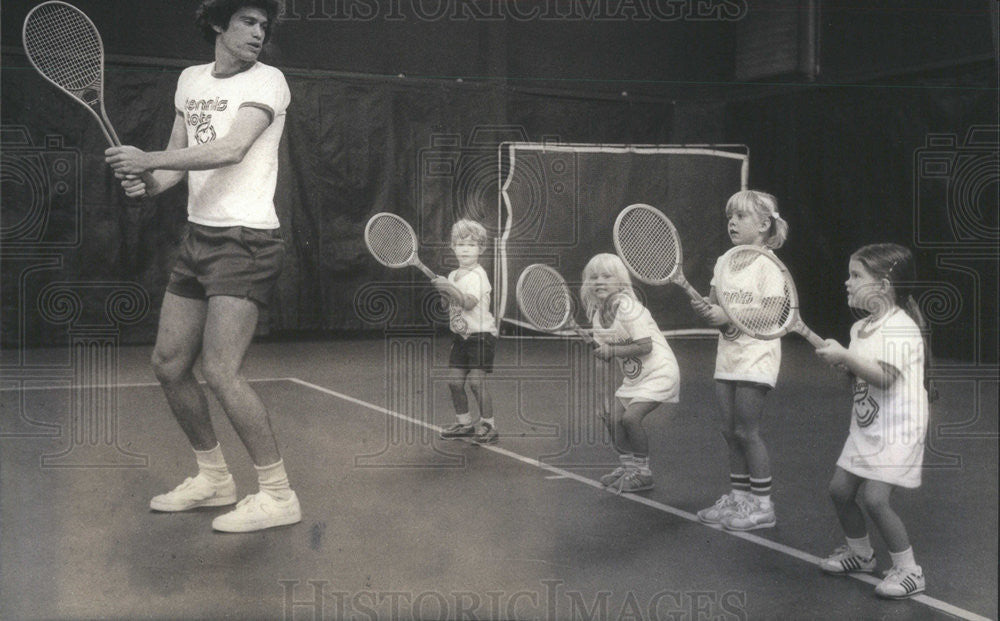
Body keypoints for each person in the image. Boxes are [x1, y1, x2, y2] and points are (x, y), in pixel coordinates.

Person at [104, 0, 300, 533]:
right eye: (248, 22)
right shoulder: (189, 81)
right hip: (198, 236)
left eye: (264, 25)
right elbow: (171, 170)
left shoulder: (269, 82)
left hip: (248, 240)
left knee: (220, 370)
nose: (259, 32)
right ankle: (214, 478)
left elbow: (233, 149)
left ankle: (279, 495)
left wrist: (147, 159)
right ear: (218, 23)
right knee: (169, 363)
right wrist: (144, 180)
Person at [815, 243, 930, 599]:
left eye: (855, 275)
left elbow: (884, 378)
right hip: (867, 427)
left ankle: (910, 571)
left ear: (883, 285)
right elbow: (860, 377)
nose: (847, 282)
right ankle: (861, 553)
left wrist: (847, 358)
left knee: (876, 499)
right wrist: (844, 363)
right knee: (839, 491)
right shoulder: (861, 328)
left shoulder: (901, 327)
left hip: (899, 430)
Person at [690, 190, 788, 530]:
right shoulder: (723, 262)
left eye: (741, 216)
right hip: (728, 355)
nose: (732, 221)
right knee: (729, 431)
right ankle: (740, 499)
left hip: (757, 356)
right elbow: (714, 308)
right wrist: (707, 309)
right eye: (730, 216)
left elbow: (774, 313)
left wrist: (726, 314)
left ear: (763, 225)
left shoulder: (769, 266)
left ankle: (763, 507)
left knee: (747, 431)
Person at [582, 253, 679, 493]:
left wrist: (611, 349)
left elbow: (645, 346)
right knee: (612, 419)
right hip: (634, 378)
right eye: (594, 277)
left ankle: (643, 474)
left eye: (607, 276)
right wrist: (602, 399)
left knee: (630, 419)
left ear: (621, 283)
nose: (600, 281)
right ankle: (629, 469)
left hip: (660, 371)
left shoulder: (628, 308)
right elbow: (602, 360)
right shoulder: (597, 317)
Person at [433, 219, 499, 445]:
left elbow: (468, 303)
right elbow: (446, 305)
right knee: (454, 383)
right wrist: (443, 290)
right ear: (453, 247)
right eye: (460, 244)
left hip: (481, 336)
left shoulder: (478, 276)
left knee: (476, 383)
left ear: (481, 249)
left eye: (471, 245)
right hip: (460, 337)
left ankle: (489, 425)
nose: (465, 250)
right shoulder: (453, 276)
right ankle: (464, 424)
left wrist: (448, 288)